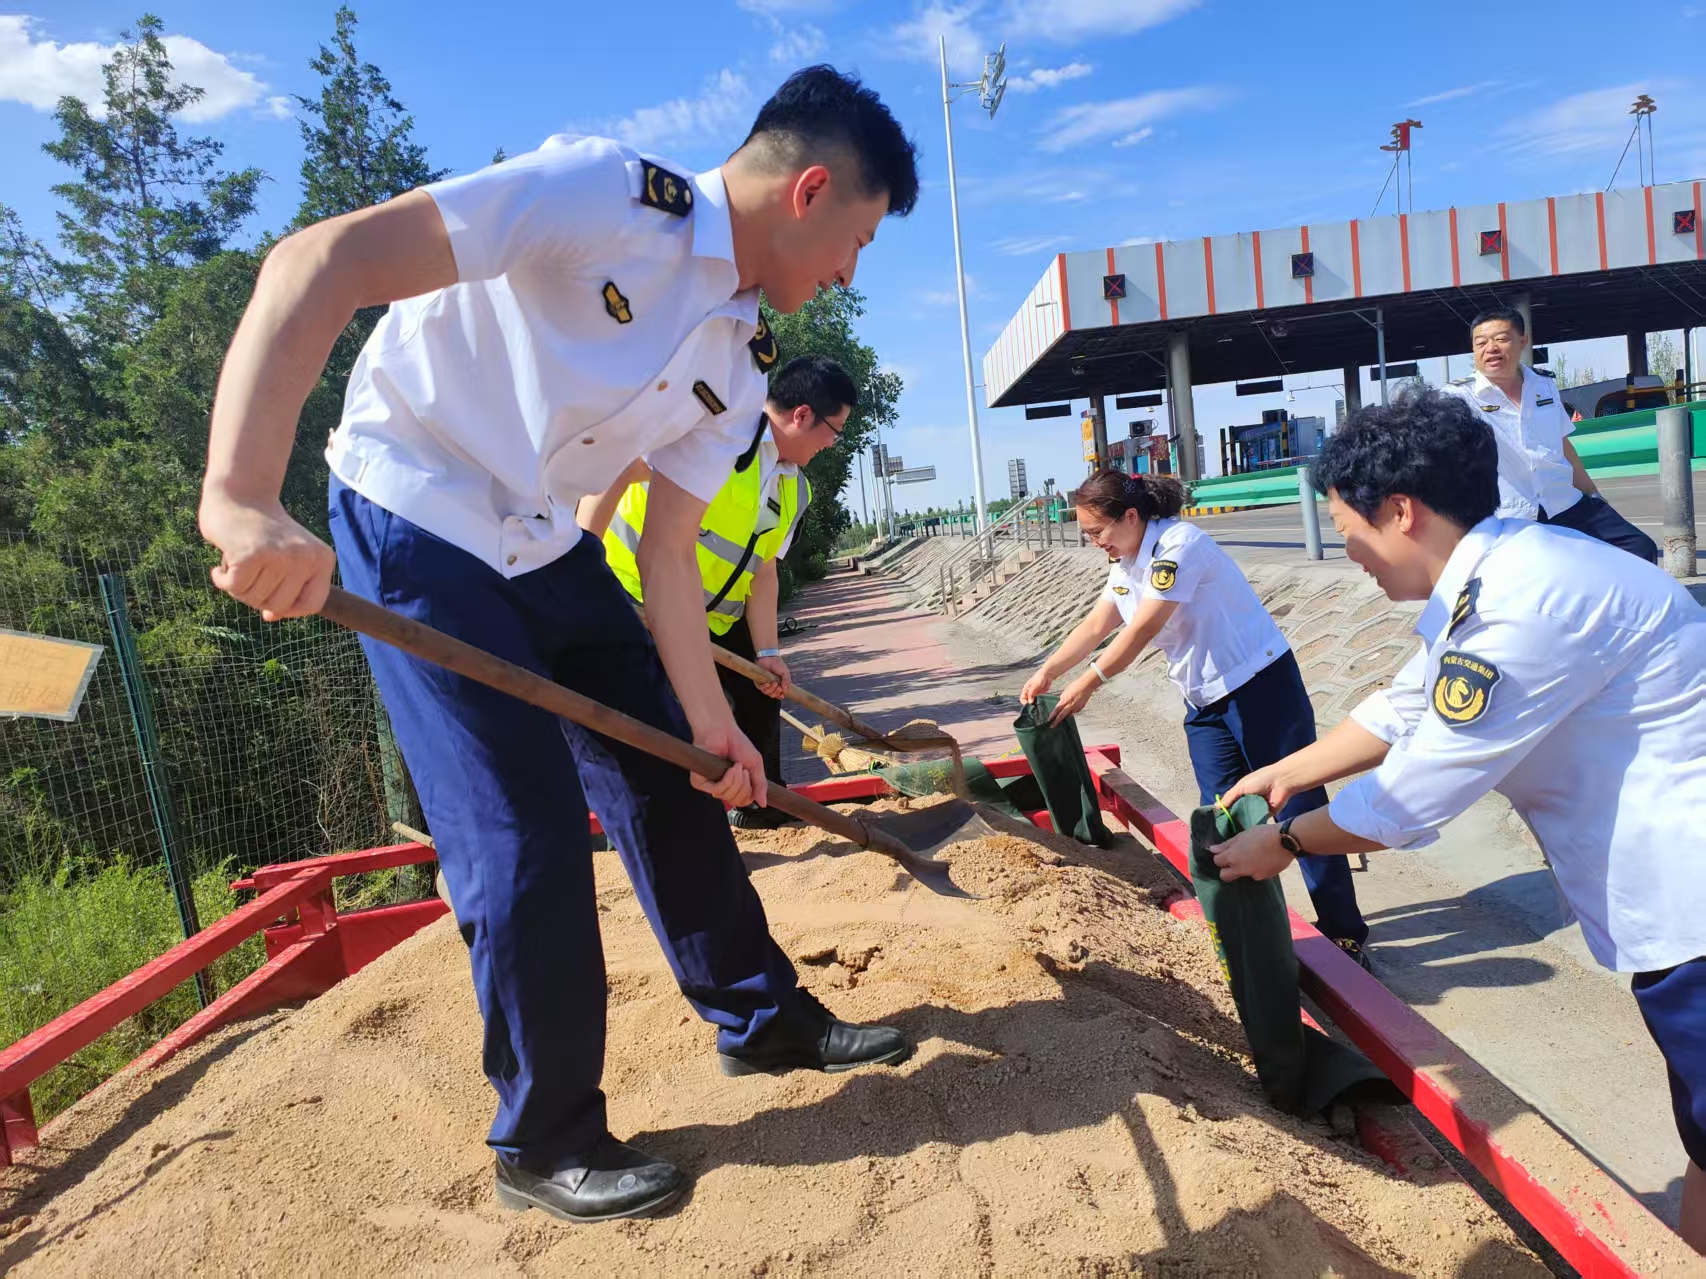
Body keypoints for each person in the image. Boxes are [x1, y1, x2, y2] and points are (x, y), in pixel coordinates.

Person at [198, 66, 920, 1225]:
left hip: (538, 539)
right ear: (813, 189)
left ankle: (759, 1017)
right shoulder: (603, 198)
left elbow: (671, 556)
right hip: (417, 509)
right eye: (859, 239)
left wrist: (712, 724)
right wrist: (238, 498)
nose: (848, 270)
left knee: (672, 776)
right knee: (521, 831)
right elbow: (315, 261)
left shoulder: (738, 357)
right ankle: (543, 1136)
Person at [1211, 390, 1706, 1255]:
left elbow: (1409, 796)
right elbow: (1409, 704)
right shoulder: (1506, 570)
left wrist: (1281, 842)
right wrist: (1288, 773)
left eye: (1347, 527)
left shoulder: (1523, 604)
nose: (1347, 551)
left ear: (1400, 511)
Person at [1018, 469, 1371, 967]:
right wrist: (1050, 670)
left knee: (1299, 802)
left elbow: (1141, 629)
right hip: (1203, 699)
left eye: (1098, 531)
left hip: (1259, 685)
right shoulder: (1126, 561)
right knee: (1217, 813)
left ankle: (1343, 930)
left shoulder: (1180, 545)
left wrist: (1088, 682)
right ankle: (1240, 929)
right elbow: (1100, 621)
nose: (1095, 542)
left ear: (1132, 517)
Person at [581, 353, 854, 829]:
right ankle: (649, 826)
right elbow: (619, 470)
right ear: (802, 415)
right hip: (636, 602)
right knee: (654, 723)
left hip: (714, 621)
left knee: (763, 690)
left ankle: (760, 808)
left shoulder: (796, 490)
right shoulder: (719, 432)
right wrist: (581, 564)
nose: (833, 444)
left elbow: (763, 572)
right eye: (835, 430)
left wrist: (767, 651)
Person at [1441, 306, 1657, 562]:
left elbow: (1563, 445)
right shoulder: (1457, 397)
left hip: (1564, 501)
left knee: (1639, 548)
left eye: (1501, 339)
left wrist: (1594, 495)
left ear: (1523, 341)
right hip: (1509, 515)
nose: (1491, 348)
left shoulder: (1544, 385)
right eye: (1481, 343)